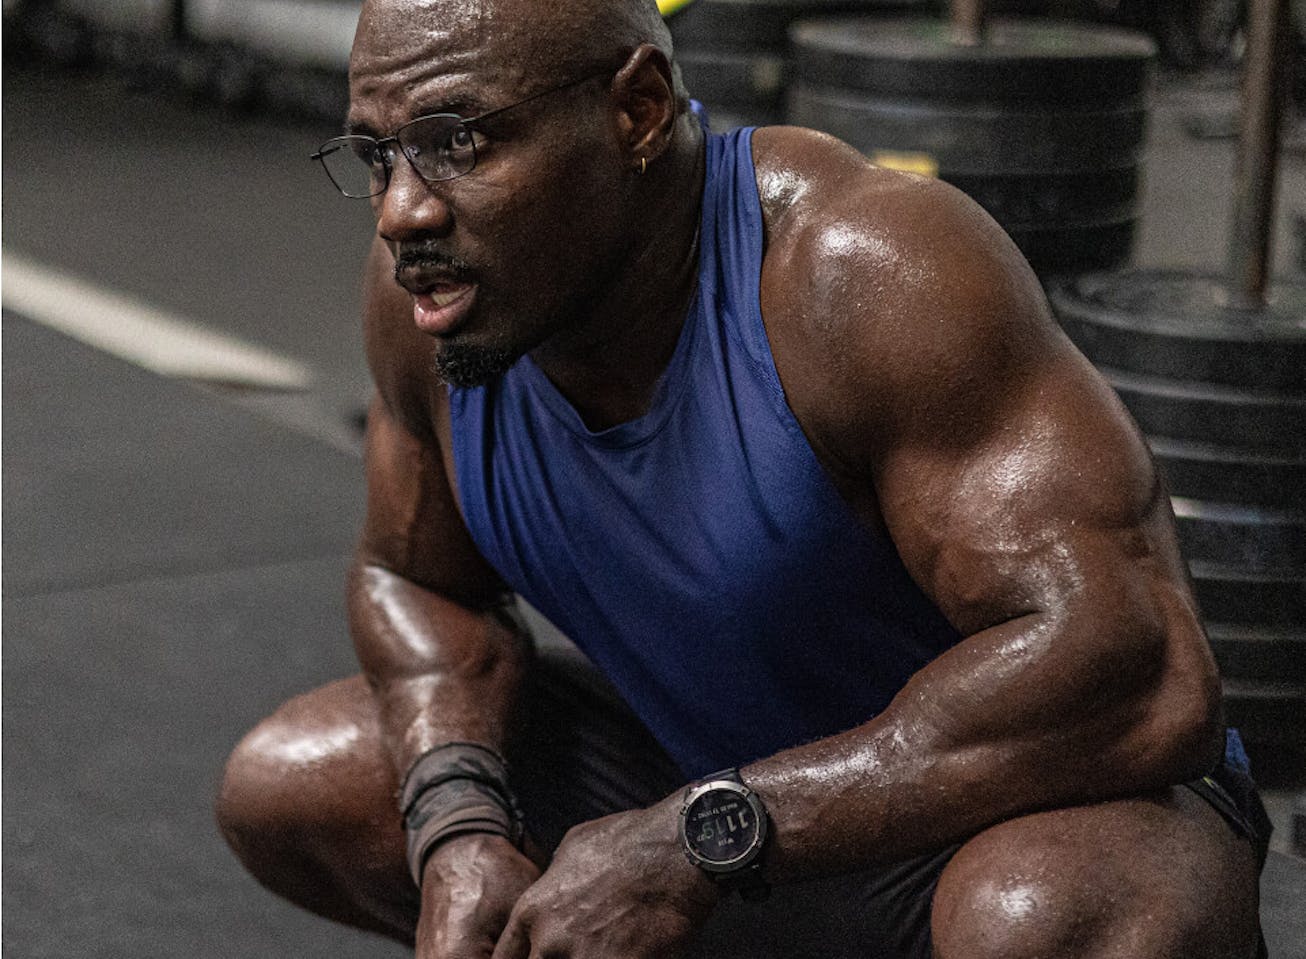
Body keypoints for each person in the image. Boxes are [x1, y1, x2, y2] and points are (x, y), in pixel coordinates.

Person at [215, 0, 1272, 956]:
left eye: (456, 142)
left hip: (1005, 811)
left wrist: (696, 836)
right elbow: (415, 578)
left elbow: (1132, 669)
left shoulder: (861, 270)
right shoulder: (434, 305)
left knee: (1038, 917)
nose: (402, 211)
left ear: (635, 111)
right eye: (377, 155)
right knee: (301, 779)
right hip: (720, 809)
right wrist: (459, 825)